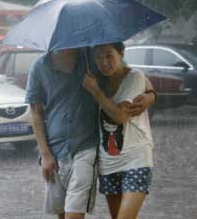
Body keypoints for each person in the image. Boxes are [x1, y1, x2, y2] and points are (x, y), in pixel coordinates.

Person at [26, 47, 156, 219]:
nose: (105, 61)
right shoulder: (40, 67)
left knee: (76, 215)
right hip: (57, 148)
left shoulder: (91, 58)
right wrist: (45, 154)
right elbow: (36, 112)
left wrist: (151, 95)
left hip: (87, 147)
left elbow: (127, 73)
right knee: (63, 214)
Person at [82, 42, 155, 219]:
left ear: (121, 53)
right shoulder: (96, 79)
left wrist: (96, 93)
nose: (104, 62)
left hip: (136, 158)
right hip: (109, 163)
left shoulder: (134, 77)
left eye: (109, 55)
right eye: (99, 57)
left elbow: (120, 116)